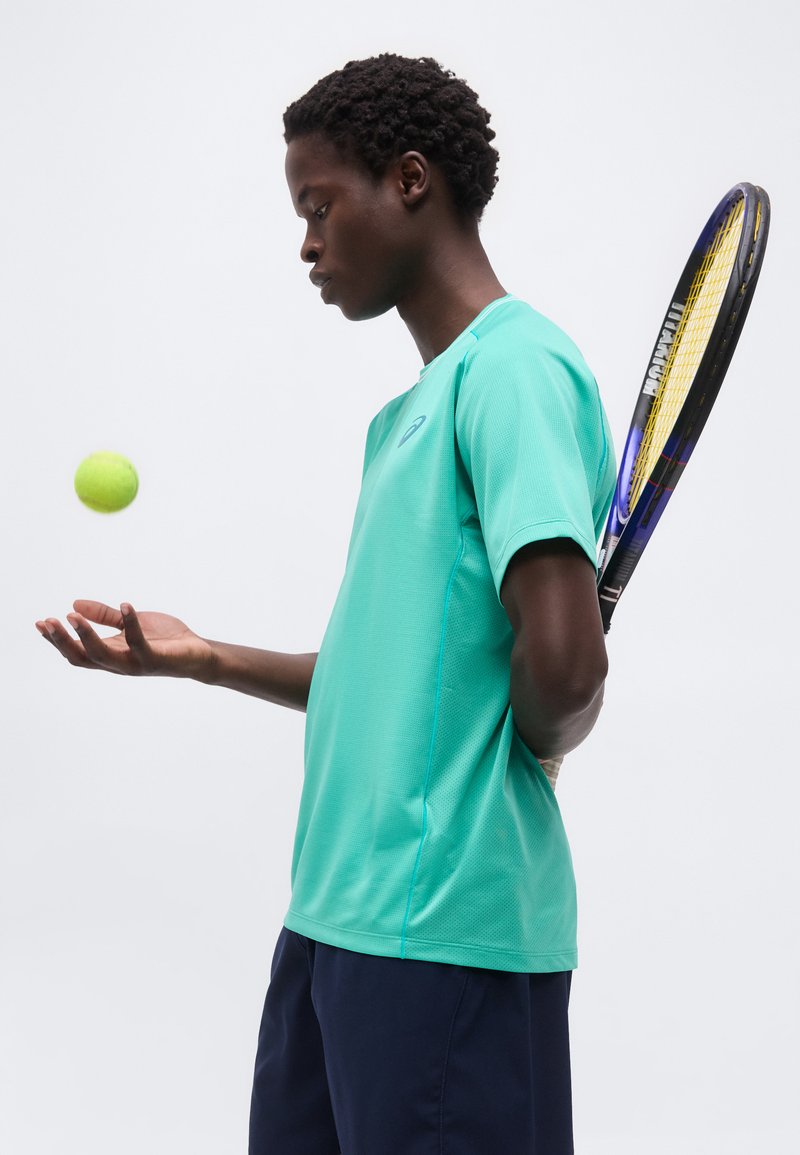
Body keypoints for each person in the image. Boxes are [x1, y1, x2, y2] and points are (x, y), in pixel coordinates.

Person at [36, 54, 616, 1154]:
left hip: (442, 933)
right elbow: (391, 680)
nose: (306, 244)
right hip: (332, 924)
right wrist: (203, 656)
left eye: (317, 207)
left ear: (409, 180)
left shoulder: (514, 369)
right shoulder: (403, 420)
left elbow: (565, 669)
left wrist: (545, 730)